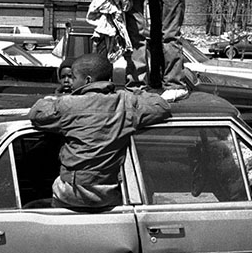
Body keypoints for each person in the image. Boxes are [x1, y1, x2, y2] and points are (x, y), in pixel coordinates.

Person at [28, 52, 171, 211]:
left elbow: (37, 114)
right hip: (108, 193)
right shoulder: (125, 102)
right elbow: (161, 106)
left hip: (71, 191)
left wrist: (50, 100)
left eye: (74, 78)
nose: (72, 84)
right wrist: (136, 92)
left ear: (87, 80)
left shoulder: (68, 105)